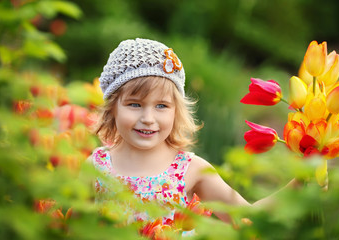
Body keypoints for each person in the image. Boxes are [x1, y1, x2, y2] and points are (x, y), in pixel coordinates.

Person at [89, 38, 298, 228]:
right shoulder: (96, 166)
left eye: (161, 106)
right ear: (112, 108)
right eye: (134, 104)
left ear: (176, 112)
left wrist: (300, 184)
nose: (148, 118)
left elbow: (246, 217)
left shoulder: (189, 169)